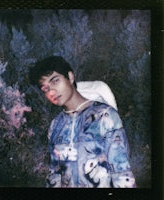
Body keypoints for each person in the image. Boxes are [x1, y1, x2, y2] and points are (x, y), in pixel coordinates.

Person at [30, 56, 136, 188]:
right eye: (45, 89)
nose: (51, 91)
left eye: (55, 81)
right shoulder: (55, 125)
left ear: (70, 77)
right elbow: (54, 176)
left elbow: (122, 174)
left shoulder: (104, 116)